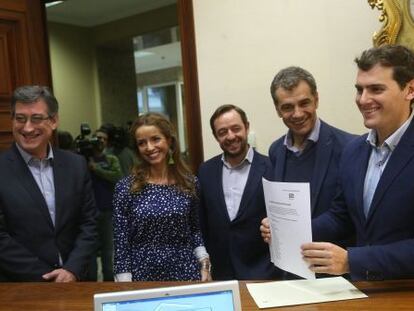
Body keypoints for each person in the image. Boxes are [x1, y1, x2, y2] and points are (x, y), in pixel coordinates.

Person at [262, 45, 414, 281]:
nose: (363, 100)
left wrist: (352, 261)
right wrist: (285, 229)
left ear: (410, 89)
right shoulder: (354, 151)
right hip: (362, 292)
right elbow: (340, 217)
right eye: (359, 90)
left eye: (376, 89)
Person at [0, 85, 97, 282]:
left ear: (53, 121)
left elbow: (89, 224)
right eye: (20, 119)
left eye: (36, 118)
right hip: (22, 287)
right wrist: (45, 277)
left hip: (77, 281)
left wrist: (71, 270)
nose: (27, 127)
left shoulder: (76, 165)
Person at [113, 112, 210, 281]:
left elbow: (195, 229)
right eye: (142, 143)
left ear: (169, 141)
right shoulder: (126, 188)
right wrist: (124, 284)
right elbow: (121, 242)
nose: (149, 147)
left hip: (186, 272)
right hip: (141, 276)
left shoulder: (189, 183)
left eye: (155, 139)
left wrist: (205, 265)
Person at [198, 104, 279, 280]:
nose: (231, 136)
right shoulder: (205, 171)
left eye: (236, 129)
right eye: (222, 132)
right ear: (215, 136)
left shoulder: (272, 167)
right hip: (221, 273)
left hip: (263, 272)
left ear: (247, 127)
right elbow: (202, 224)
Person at [268, 66, 355, 218]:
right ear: (277, 110)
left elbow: (348, 215)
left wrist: (301, 230)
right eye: (287, 107)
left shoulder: (349, 147)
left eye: (304, 103)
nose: (297, 114)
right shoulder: (275, 151)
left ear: (316, 100)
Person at [88, 128, 122, 281]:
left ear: (107, 142)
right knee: (90, 251)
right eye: (97, 138)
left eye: (103, 139)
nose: (100, 141)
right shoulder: (84, 158)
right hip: (89, 212)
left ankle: (108, 283)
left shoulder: (111, 159)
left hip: (108, 210)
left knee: (109, 251)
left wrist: (96, 169)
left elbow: (117, 177)